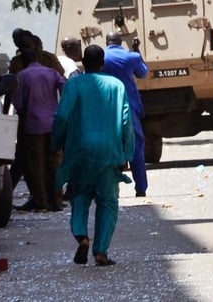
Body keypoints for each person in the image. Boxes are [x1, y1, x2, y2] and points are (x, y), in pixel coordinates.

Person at [53, 44, 135, 267]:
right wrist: (126, 152)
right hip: (109, 153)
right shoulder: (116, 86)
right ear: (102, 63)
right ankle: (101, 251)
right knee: (108, 203)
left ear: (82, 62)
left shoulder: (73, 85)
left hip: (79, 152)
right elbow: (127, 122)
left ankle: (82, 236)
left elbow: (61, 118)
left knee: (80, 197)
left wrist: (56, 143)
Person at [11, 47, 67, 212]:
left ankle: (41, 202)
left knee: (36, 166)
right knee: (55, 163)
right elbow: (66, 86)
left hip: (33, 126)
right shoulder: (51, 73)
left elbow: (18, 103)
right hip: (53, 123)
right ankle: (57, 201)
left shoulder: (21, 77)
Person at [101, 31, 149, 197]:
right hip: (129, 107)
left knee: (110, 148)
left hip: (106, 109)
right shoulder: (132, 57)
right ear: (121, 42)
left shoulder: (101, 57)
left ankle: (112, 189)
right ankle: (141, 188)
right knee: (136, 147)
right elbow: (142, 73)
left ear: (107, 42)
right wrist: (137, 52)